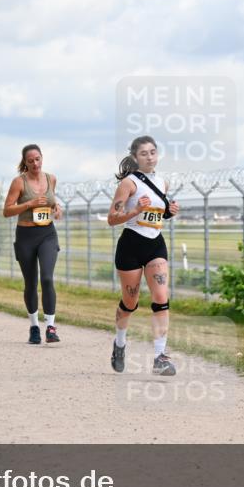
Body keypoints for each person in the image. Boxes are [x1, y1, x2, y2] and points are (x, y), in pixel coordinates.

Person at [106, 136, 180, 376]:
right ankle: (119, 344)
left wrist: (169, 212)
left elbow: (157, 215)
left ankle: (160, 356)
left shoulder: (162, 182)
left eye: (153, 152)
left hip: (155, 245)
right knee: (130, 303)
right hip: (131, 246)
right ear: (136, 158)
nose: (150, 157)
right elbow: (112, 219)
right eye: (144, 153)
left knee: (161, 297)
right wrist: (135, 210)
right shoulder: (128, 183)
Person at [2, 144, 63, 344]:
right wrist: (29, 204)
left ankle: (51, 327)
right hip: (26, 235)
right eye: (31, 161)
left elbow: (50, 200)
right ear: (25, 162)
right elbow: (7, 211)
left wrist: (57, 207)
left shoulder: (51, 178)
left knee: (46, 278)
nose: (35, 163)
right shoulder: (19, 182)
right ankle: (34, 327)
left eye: (38, 159)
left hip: (47, 233)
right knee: (31, 282)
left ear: (42, 158)